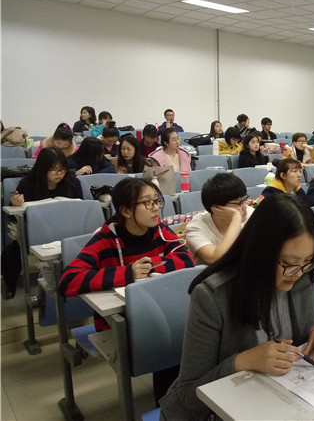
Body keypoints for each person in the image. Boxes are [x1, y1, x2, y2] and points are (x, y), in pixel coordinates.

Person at [159, 194, 314, 420]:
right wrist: (242, 361)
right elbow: (188, 395)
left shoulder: (301, 275)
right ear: (260, 252)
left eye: (308, 261)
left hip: (278, 402)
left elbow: (297, 341)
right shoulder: (213, 296)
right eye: (288, 263)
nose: (298, 273)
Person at [57, 177, 194, 403]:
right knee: (172, 341)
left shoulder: (159, 230)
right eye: (147, 203)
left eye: (157, 201)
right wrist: (127, 273)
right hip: (118, 320)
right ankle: (170, 406)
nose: (155, 208)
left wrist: (148, 267)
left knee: (190, 334)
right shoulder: (105, 239)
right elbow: (68, 280)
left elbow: (186, 259)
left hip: (156, 311)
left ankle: (177, 402)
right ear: (126, 210)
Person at [1, 147, 83, 299]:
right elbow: (13, 218)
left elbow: (81, 208)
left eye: (62, 169)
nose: (59, 174)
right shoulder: (27, 185)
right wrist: (15, 204)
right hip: (36, 232)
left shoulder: (73, 183)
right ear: (42, 169)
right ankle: (10, 287)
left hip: (68, 231)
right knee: (11, 254)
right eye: (54, 170)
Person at [186, 173, 254, 265]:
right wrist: (236, 218)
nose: (245, 206)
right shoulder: (195, 227)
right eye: (238, 203)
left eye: (244, 199)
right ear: (216, 209)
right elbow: (216, 259)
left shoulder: (250, 213)